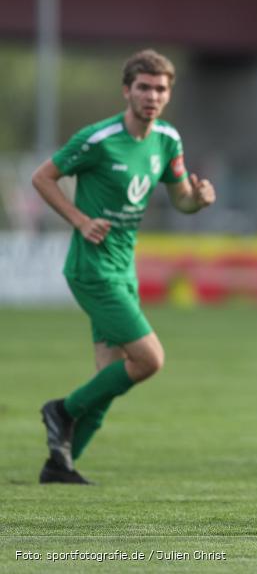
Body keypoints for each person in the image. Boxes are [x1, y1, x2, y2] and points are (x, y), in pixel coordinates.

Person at [31, 49, 215, 484]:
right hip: (91, 268)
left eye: (161, 89)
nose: (152, 96)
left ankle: (61, 465)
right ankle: (61, 410)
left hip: (123, 267)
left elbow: (182, 201)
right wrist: (79, 219)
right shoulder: (98, 139)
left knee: (110, 377)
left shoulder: (167, 140)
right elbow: (42, 177)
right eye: (144, 87)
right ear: (127, 91)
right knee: (149, 359)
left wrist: (199, 200)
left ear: (169, 94)